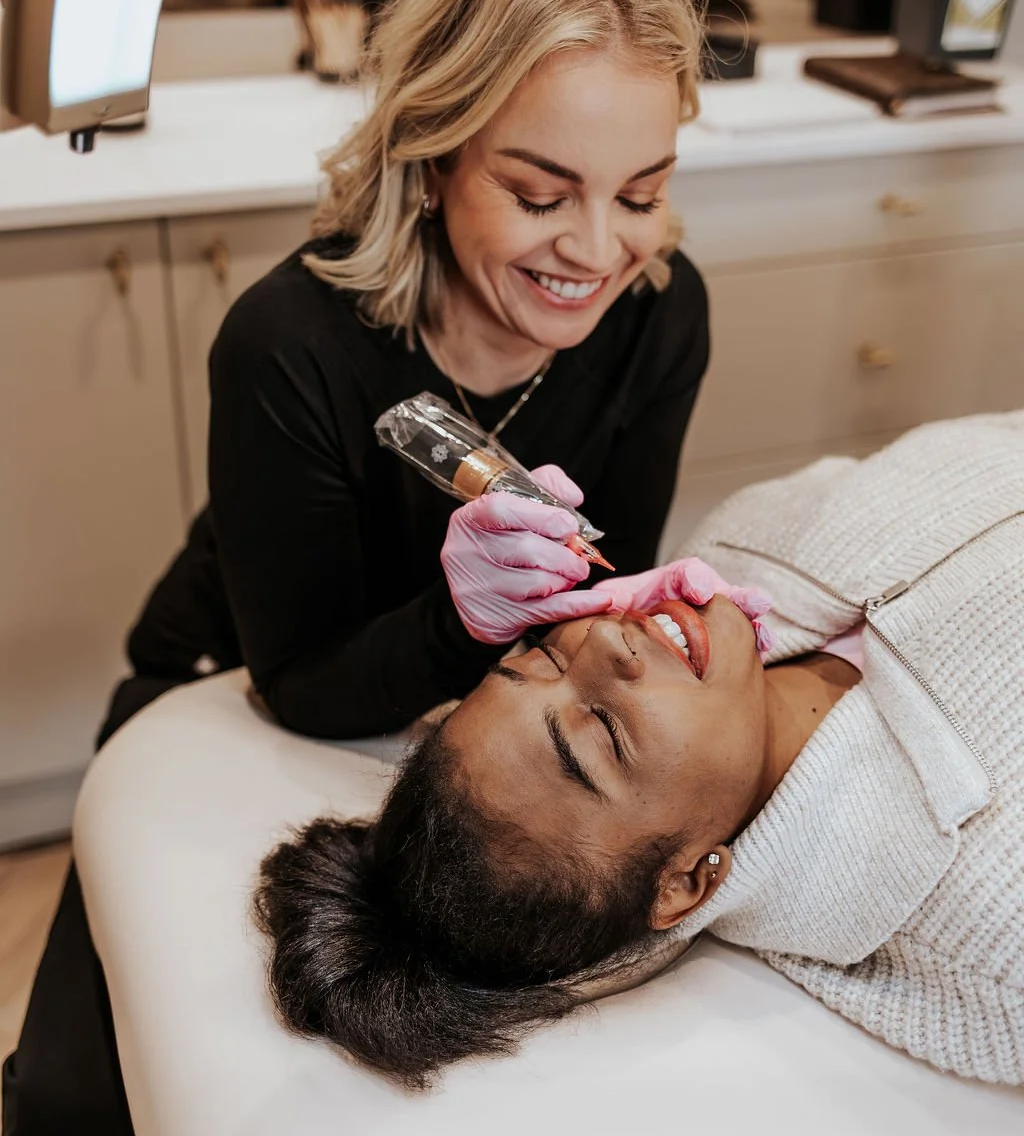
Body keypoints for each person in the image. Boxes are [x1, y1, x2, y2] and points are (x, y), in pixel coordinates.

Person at [1, 0, 720, 1136]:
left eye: (639, 191)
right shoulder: (291, 342)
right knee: (91, 1095)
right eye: (540, 189)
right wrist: (465, 622)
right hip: (233, 682)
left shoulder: (661, 313)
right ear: (437, 145)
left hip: (468, 714)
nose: (597, 249)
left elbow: (593, 577)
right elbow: (305, 683)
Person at [256, 411, 1024, 1091]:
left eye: (538, 658)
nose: (606, 641)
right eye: (607, 732)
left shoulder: (729, 544)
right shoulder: (997, 917)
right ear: (686, 882)